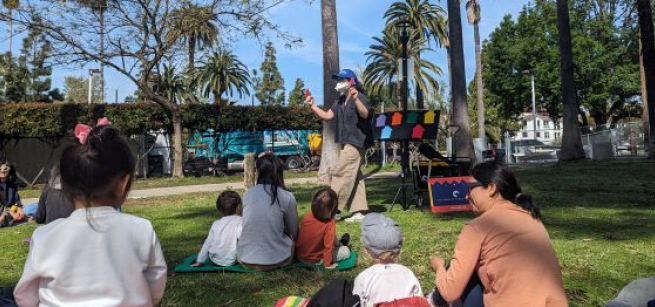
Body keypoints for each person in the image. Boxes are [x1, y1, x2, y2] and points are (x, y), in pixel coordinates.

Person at [13, 124, 167, 306]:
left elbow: (24, 296)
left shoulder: (44, 236)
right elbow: (156, 284)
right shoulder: (142, 229)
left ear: (65, 184)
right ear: (123, 184)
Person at [429, 161, 567, 307]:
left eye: (469, 188)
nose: (466, 196)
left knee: (462, 273)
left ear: (491, 188)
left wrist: (439, 267)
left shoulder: (477, 227)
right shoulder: (532, 218)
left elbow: (450, 292)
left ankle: (430, 301)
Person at [305, 68, 373, 223]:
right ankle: (360, 212)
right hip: (346, 142)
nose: (339, 82)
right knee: (355, 176)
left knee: (341, 173)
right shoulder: (340, 101)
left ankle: (332, 210)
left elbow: (365, 114)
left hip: (356, 143)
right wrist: (313, 106)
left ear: (352, 82)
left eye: (343, 79)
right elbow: (328, 116)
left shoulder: (360, 97)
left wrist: (356, 99)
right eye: (338, 80)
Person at [237, 153, 299, 272]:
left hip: (245, 260)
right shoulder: (287, 196)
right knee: (290, 239)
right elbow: (295, 233)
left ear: (259, 172)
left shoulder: (248, 194)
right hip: (279, 260)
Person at [353, 213, 423, 307]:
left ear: (366, 250)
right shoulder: (408, 274)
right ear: (399, 250)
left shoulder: (363, 278)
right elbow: (420, 302)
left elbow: (357, 303)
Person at [295, 187, 351, 269]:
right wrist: (328, 264)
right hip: (315, 260)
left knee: (333, 239)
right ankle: (341, 244)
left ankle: (339, 244)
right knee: (346, 251)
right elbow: (328, 246)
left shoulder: (309, 214)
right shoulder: (330, 223)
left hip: (300, 256)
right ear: (333, 208)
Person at [192, 190, 243, 267]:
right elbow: (242, 236)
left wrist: (199, 261)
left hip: (214, 259)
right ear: (238, 207)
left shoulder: (216, 223)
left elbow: (207, 243)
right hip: (232, 260)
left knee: (207, 241)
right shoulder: (240, 220)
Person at [0, 161, 27, 227]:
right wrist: (9, 212)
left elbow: (16, 203)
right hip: (4, 214)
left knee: (32, 208)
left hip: (9, 213)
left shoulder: (12, 186)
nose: (2, 171)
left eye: (5, 169)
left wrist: (19, 210)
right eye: (0, 169)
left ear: (10, 171)